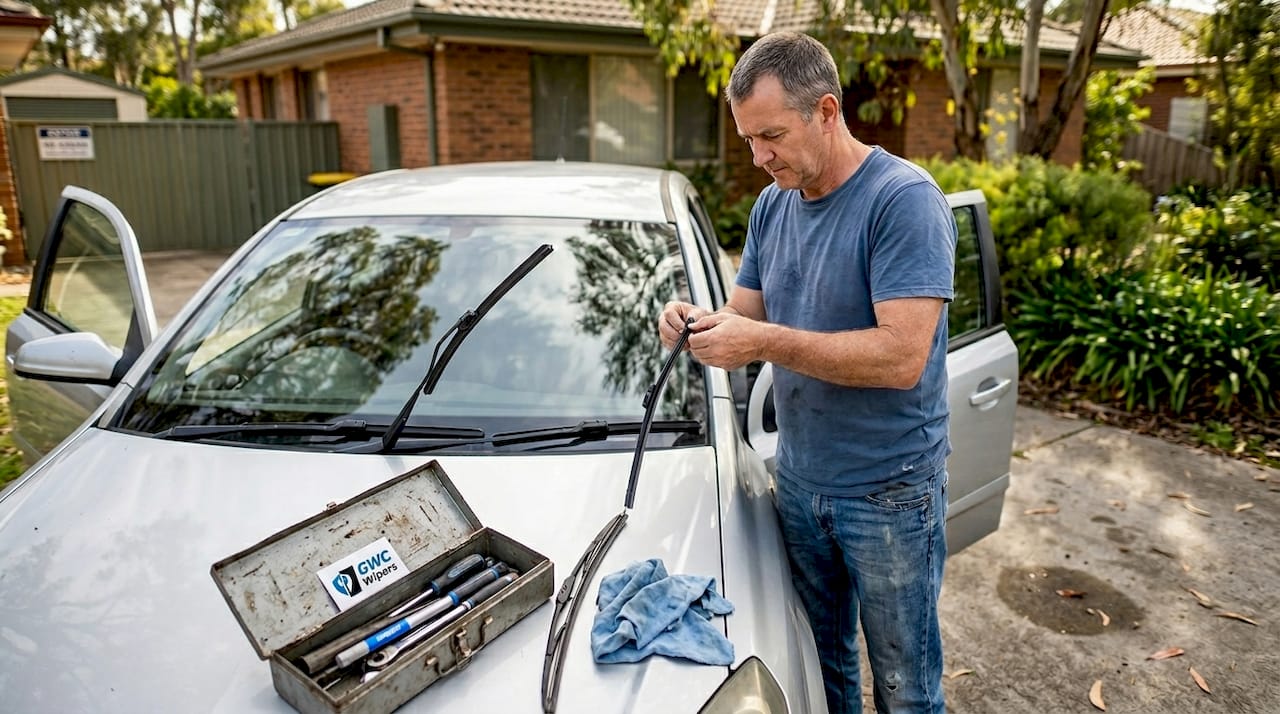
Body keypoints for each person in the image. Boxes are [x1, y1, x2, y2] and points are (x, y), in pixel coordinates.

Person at [658, 31, 957, 714]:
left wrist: (762, 340)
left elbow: (901, 357)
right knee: (823, 669)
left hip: (889, 494)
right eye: (748, 141)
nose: (760, 158)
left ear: (825, 111)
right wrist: (691, 324)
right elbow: (743, 316)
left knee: (907, 688)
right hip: (798, 480)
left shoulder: (903, 201)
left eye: (771, 136)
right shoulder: (772, 205)